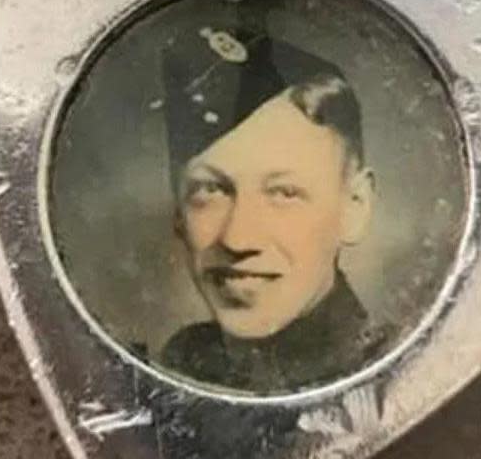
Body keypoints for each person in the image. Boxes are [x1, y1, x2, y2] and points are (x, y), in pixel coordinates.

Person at [156, 23, 394, 393]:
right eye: (211, 190)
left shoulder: (392, 378)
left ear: (355, 206)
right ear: (178, 213)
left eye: (284, 193)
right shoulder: (180, 365)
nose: (238, 238)